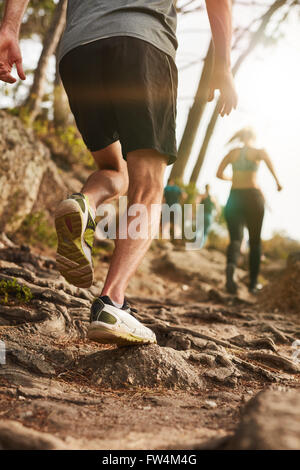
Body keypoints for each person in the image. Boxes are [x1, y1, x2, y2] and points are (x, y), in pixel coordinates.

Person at [0, 0, 238, 345]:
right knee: (148, 184)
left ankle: (86, 202)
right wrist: (223, 64)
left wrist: (9, 27)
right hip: (142, 41)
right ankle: (112, 301)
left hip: (79, 50)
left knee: (115, 170)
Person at [216, 128, 282, 294]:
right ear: (254, 137)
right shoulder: (259, 152)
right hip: (253, 197)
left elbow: (218, 174)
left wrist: (233, 178)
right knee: (254, 241)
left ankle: (231, 270)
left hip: (235, 196)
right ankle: (253, 284)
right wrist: (278, 182)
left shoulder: (232, 152)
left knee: (235, 240)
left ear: (241, 136)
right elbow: (270, 166)